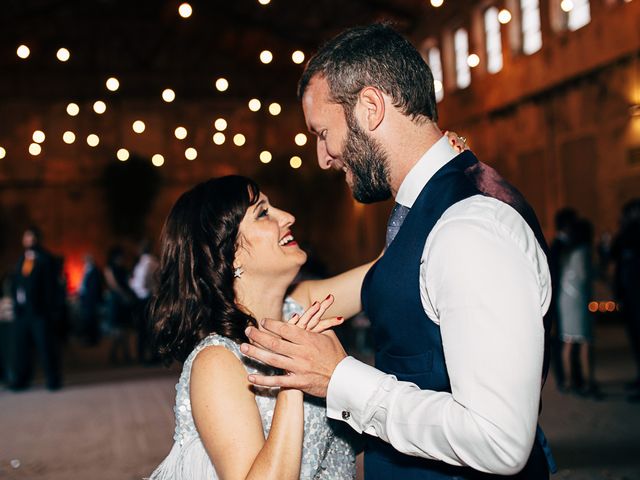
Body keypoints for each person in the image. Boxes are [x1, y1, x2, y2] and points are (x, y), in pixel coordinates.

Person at [241, 23, 555, 479]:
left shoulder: (469, 228)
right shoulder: (431, 216)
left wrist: (341, 378)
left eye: (323, 132)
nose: (322, 157)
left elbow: (499, 439)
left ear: (370, 108)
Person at [148, 176, 371, 480]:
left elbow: (387, 270)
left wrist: (434, 167)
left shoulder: (301, 304)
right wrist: (294, 380)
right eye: (263, 213)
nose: (288, 217)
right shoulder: (217, 361)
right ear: (232, 253)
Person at [10, 226, 62, 391]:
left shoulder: (46, 259)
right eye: (26, 238)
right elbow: (17, 281)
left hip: (39, 312)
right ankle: (22, 379)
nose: (28, 241)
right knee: (22, 347)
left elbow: (50, 287)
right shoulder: (21, 259)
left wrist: (48, 308)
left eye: (31, 238)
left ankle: (53, 379)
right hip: (23, 312)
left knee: (45, 346)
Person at [558, 218, 598, 396]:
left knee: (568, 341)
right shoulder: (583, 251)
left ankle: (568, 381)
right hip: (579, 300)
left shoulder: (567, 250)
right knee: (585, 341)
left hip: (565, 299)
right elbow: (584, 277)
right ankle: (589, 382)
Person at [611, 198, 640, 398]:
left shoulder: (633, 233)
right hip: (630, 294)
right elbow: (614, 252)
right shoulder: (627, 235)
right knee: (635, 338)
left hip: (637, 293)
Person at [104, 246, 136, 364]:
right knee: (118, 329)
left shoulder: (123, 268)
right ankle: (116, 355)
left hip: (124, 301)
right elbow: (113, 284)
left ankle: (122, 355)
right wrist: (124, 295)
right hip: (116, 300)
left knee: (125, 329)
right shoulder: (110, 268)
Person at [129, 240, 159, 363]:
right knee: (150, 327)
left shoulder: (145, 263)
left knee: (144, 328)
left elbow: (141, 283)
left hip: (145, 298)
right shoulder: (154, 261)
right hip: (150, 297)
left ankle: (146, 356)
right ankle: (151, 355)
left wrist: (132, 283)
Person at [78, 254, 103, 346]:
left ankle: (92, 339)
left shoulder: (94, 270)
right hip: (87, 299)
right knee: (88, 319)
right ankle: (89, 338)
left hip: (90, 300)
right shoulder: (88, 270)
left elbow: (95, 287)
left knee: (91, 319)